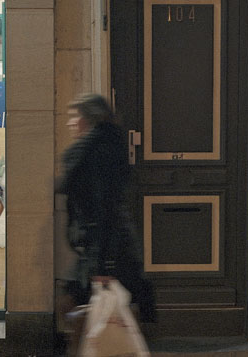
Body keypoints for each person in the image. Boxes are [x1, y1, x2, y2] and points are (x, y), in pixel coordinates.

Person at [56, 93, 155, 328]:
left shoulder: (96, 154)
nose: (70, 123)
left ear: (89, 119)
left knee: (80, 310)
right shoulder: (101, 149)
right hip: (104, 246)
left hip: (106, 248)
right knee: (88, 310)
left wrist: (102, 264)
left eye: (75, 117)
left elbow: (103, 208)